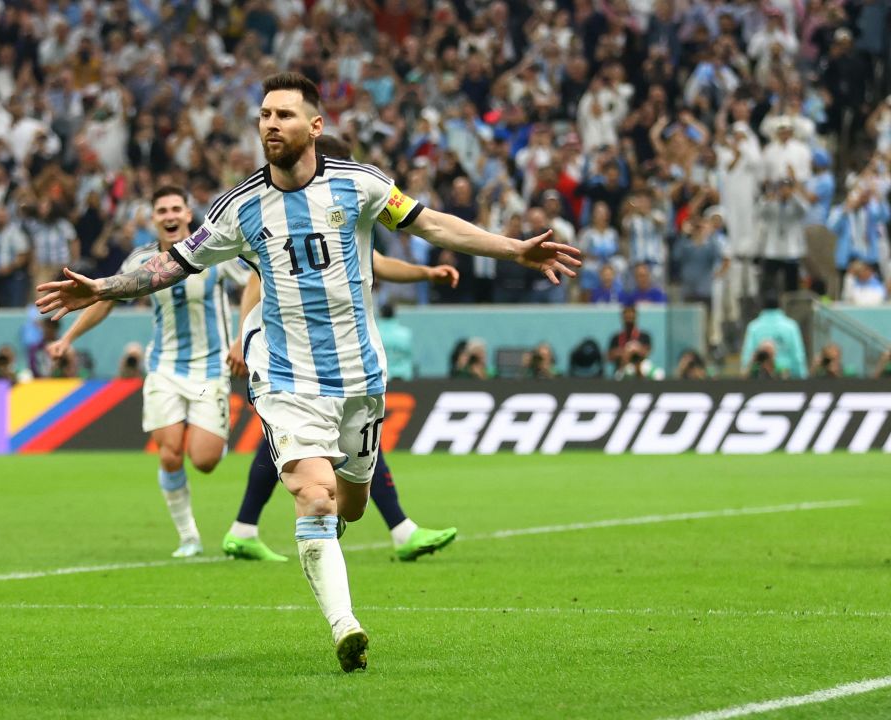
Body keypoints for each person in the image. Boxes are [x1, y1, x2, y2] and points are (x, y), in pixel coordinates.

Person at [36, 73, 579, 672]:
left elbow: (433, 224)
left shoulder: (361, 185)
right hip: (286, 377)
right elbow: (174, 264)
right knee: (313, 496)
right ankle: (345, 626)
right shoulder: (239, 208)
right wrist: (103, 288)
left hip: (360, 377)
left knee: (351, 504)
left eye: (285, 115)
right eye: (265, 115)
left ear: (315, 126)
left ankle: (329, 536)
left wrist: (513, 249)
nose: (271, 124)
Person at [221, 133, 462, 564]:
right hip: (291, 358)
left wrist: (426, 274)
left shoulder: (341, 219)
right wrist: (242, 338)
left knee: (307, 445)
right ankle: (400, 529)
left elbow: (378, 264)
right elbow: (256, 280)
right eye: (344, 167)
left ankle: (244, 527)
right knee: (336, 444)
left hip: (333, 358)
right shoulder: (285, 215)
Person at [45, 186, 252, 558]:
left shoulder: (215, 249)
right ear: (153, 219)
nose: (170, 216)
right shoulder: (141, 259)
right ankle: (188, 537)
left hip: (211, 367)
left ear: (188, 213)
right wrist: (68, 338)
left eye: (176, 208)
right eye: (162, 210)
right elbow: (105, 297)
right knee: (170, 454)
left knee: (204, 461)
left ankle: (210, 438)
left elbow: (256, 278)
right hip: (164, 367)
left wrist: (242, 337)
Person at [740, 295, 807, 379]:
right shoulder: (791, 326)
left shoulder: (754, 327)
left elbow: (747, 357)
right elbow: (798, 357)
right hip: (788, 379)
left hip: (759, 380)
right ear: (780, 306)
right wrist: (802, 378)